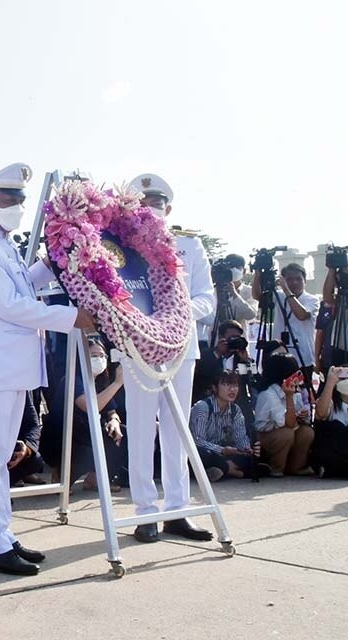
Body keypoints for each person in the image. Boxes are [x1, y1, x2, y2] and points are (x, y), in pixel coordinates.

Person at [0, 162, 94, 576]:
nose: (18, 206)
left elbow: (21, 289)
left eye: (22, 200)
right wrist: (72, 317)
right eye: (12, 198)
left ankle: (0, 536)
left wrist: (49, 265)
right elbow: (11, 307)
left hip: (8, 369)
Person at [124, 174, 215, 544]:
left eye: (157, 204)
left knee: (178, 430)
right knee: (143, 428)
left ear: (169, 208)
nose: (151, 210)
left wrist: (178, 312)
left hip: (180, 347)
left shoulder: (190, 246)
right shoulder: (120, 248)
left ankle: (177, 510)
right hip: (140, 348)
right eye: (144, 204)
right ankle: (145, 512)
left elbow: (207, 298)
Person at [42, 335, 128, 493]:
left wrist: (114, 421)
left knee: (123, 435)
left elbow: (112, 411)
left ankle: (95, 479)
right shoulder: (72, 380)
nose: (100, 360)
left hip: (86, 436)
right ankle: (61, 476)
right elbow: (89, 406)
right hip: (63, 440)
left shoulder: (100, 382)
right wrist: (117, 384)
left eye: (102, 356)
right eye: (94, 356)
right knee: (89, 450)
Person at [189, 371, 267, 481]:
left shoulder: (235, 410)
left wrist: (247, 449)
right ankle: (236, 472)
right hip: (205, 451)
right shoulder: (203, 407)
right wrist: (222, 450)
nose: (232, 389)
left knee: (252, 457)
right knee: (203, 454)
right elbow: (197, 440)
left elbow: (241, 437)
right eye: (226, 385)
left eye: (235, 385)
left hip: (225, 455)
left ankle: (222, 469)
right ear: (215, 388)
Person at [251, 262, 320, 382]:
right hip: (279, 355)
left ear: (305, 281)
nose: (294, 283)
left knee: (302, 395)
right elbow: (257, 296)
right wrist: (257, 274)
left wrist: (287, 291)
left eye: (298, 279)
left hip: (303, 356)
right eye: (290, 279)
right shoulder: (279, 296)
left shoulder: (312, 299)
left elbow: (302, 315)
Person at [253, 353, 315, 477]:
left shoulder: (293, 389)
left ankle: (296, 467)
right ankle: (276, 467)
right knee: (286, 434)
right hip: (267, 436)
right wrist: (289, 396)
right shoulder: (268, 394)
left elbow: (299, 419)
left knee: (307, 432)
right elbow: (288, 424)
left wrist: (303, 414)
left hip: (287, 429)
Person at [194, 320, 255, 421]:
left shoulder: (241, 358)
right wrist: (218, 353)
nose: (235, 340)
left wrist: (245, 361)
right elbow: (202, 374)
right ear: (221, 337)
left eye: (238, 337)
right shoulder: (209, 355)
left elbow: (252, 380)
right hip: (211, 405)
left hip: (236, 407)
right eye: (232, 338)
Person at [313, 365, 348, 476]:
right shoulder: (331, 402)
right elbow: (321, 414)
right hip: (333, 451)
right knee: (336, 426)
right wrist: (330, 383)